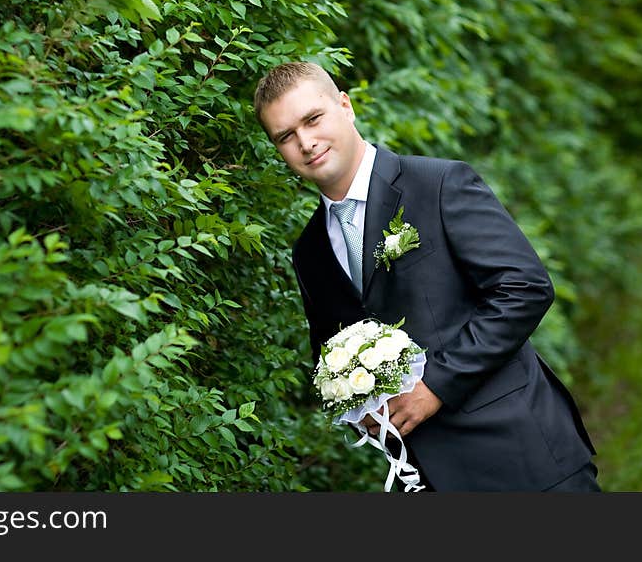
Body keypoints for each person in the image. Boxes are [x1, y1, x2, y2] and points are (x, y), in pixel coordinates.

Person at [253, 61, 600, 491]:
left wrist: (435, 384)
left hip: (520, 454)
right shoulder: (310, 252)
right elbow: (330, 352)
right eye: (285, 136)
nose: (305, 142)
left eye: (313, 119)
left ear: (345, 106)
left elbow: (524, 288)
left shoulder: (438, 184)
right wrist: (360, 407)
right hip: (424, 476)